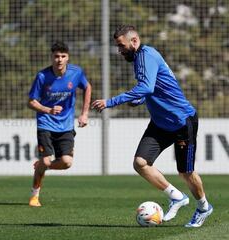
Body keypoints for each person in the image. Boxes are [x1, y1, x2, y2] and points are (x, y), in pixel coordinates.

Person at [92, 25, 213, 228]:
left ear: (134, 41)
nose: (119, 50)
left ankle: (203, 207)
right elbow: (153, 88)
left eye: (121, 46)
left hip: (181, 121)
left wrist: (111, 101)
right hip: (159, 123)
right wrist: (139, 100)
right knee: (140, 163)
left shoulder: (147, 54)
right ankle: (176, 197)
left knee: (186, 172)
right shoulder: (138, 58)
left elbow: (146, 87)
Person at [28, 41, 92, 207]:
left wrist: (84, 113)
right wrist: (47, 110)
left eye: (63, 56)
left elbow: (87, 87)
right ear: (52, 57)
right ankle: (35, 195)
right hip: (45, 124)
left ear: (67, 57)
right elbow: (31, 102)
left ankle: (41, 166)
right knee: (47, 160)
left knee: (66, 162)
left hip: (66, 126)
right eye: (56, 56)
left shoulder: (76, 73)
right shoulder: (42, 76)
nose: (59, 59)